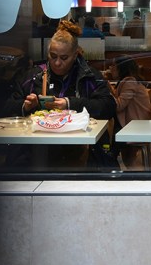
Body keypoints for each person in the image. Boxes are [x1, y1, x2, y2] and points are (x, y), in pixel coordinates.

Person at [6, 20, 117, 166]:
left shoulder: (89, 77)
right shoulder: (34, 77)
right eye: (53, 56)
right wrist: (26, 106)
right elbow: (7, 107)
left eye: (64, 58)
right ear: (48, 53)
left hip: (80, 151)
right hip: (37, 152)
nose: (57, 63)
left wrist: (70, 104)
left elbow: (108, 107)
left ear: (75, 55)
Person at [108, 57, 151, 167]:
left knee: (109, 133)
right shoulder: (130, 81)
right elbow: (121, 98)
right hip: (136, 122)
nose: (110, 69)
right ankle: (111, 160)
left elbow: (119, 106)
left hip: (136, 125)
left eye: (113, 66)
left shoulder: (130, 82)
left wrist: (108, 92)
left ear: (121, 68)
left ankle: (110, 163)